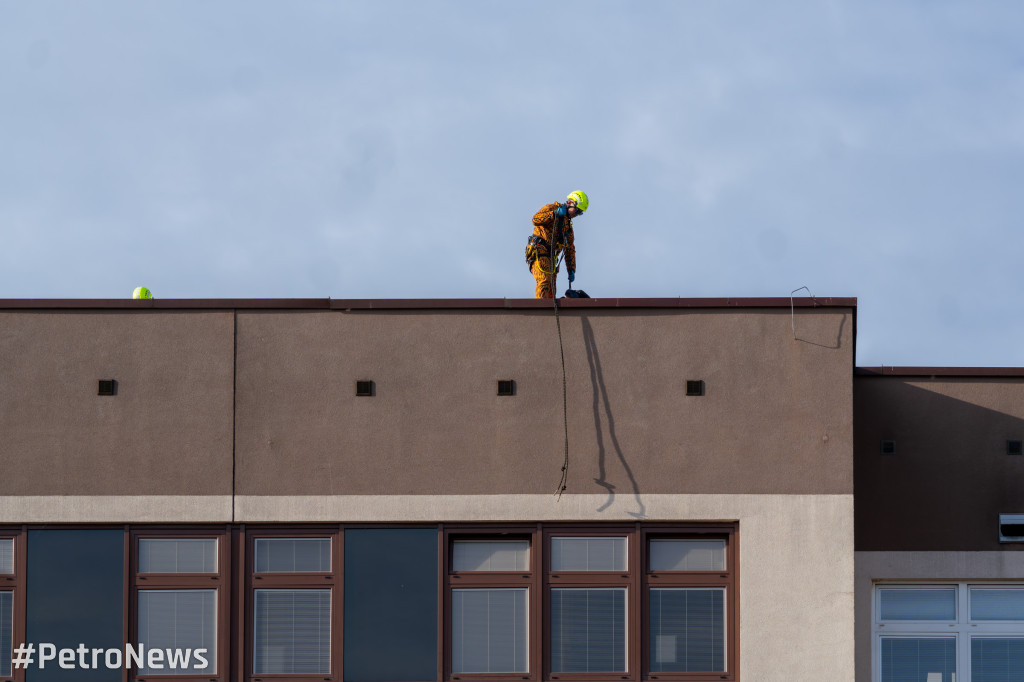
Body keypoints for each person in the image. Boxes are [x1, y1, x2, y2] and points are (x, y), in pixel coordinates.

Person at [525, 190, 589, 298]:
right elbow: (536, 219)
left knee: (551, 291)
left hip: (551, 259)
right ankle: (540, 311)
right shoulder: (552, 208)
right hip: (539, 252)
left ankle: (550, 310)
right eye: (577, 210)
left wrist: (571, 269)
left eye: (580, 213)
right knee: (544, 280)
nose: (577, 214)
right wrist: (554, 214)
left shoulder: (568, 228)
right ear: (570, 203)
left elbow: (569, 249)